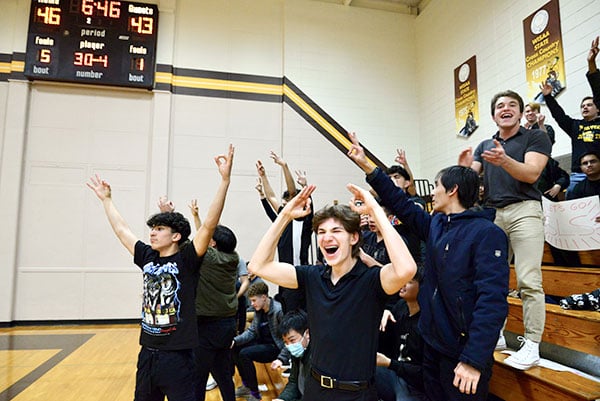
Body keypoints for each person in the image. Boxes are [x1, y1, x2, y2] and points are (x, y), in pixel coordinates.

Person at [349, 132, 509, 400]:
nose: (432, 192)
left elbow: (492, 301)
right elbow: (400, 204)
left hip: (462, 353)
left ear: (452, 190)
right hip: (432, 344)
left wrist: (473, 359)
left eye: (436, 185)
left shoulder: (486, 233)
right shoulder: (436, 225)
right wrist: (367, 166)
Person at [85, 145, 234, 401]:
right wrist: (107, 200)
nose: (152, 232)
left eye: (159, 228)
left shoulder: (187, 260)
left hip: (179, 357)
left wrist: (224, 180)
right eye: (152, 228)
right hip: (148, 353)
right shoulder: (147, 256)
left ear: (176, 236)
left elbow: (209, 223)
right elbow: (122, 230)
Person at [248, 181, 417, 401]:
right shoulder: (312, 276)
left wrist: (375, 209)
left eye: (336, 231)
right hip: (316, 389)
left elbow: (407, 268)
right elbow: (258, 265)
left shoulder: (372, 280)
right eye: (321, 232)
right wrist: (285, 215)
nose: (327, 237)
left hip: (358, 393)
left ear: (354, 238)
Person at [458, 90, 551, 371]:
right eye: (500, 106)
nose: (506, 108)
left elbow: (532, 173)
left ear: (521, 113)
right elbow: (469, 179)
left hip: (525, 210)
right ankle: (495, 336)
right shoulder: (486, 144)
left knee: (528, 280)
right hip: (494, 214)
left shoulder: (535, 136)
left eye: (512, 105)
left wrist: (504, 160)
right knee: (490, 280)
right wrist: (462, 170)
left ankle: (532, 344)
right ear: (493, 115)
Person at [541, 36, 600, 195]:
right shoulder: (575, 126)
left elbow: (598, 92)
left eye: (589, 104)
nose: (585, 107)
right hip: (579, 176)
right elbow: (559, 116)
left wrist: (591, 64)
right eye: (582, 106)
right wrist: (548, 97)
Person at [255, 153, 313, 312]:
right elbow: (271, 196)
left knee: (301, 318)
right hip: (283, 275)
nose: (288, 204)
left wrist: (284, 166)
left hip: (301, 276)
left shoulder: (305, 219)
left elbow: (293, 192)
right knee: (287, 317)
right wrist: (264, 176)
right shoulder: (284, 219)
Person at [233, 282, 291, 401]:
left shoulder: (278, 311)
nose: (252, 304)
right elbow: (252, 331)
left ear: (264, 297)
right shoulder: (259, 310)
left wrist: (282, 358)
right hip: (262, 343)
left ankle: (254, 393)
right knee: (235, 347)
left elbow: (288, 338)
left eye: (254, 300)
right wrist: (235, 341)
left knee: (245, 354)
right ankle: (246, 386)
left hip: (275, 347)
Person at [375, 268, 426, 401]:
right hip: (394, 375)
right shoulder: (400, 307)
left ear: (422, 287)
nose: (403, 284)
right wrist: (384, 313)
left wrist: (389, 363)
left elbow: (424, 373)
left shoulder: (427, 322)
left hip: (415, 385)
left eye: (409, 282)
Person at [273, 310, 312, 401]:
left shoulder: (316, 358)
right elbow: (293, 382)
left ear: (307, 334)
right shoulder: (298, 352)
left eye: (292, 340)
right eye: (286, 342)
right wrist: (282, 399)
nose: (289, 346)